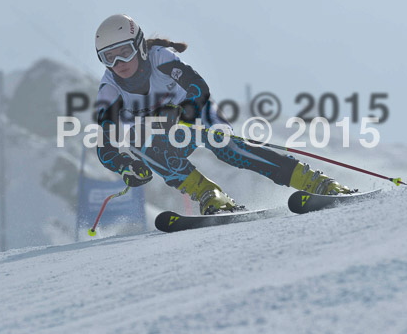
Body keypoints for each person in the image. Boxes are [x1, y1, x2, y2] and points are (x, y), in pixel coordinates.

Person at [95, 14, 352, 215]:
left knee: (228, 149)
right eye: (109, 58)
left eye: (125, 52)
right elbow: (105, 147)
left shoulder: (159, 58)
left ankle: (316, 182)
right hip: (168, 133)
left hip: (197, 112)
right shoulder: (109, 89)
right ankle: (210, 195)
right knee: (139, 144)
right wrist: (125, 165)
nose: (119, 64)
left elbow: (198, 88)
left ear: (139, 46)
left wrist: (184, 116)